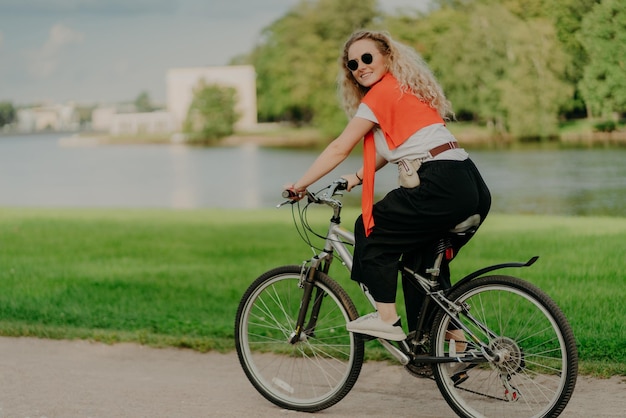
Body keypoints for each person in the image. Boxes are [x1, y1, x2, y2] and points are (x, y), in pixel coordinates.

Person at [285, 29, 491, 342]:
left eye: (367, 58)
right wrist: (355, 178)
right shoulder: (406, 91)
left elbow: (339, 147)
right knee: (419, 266)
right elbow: (395, 147)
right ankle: (451, 345)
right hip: (468, 183)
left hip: (440, 182)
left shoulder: (380, 95)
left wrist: (300, 185)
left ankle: (386, 319)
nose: (361, 67)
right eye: (353, 64)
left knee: (369, 230)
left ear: (387, 57)